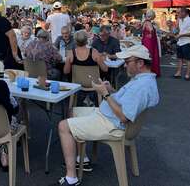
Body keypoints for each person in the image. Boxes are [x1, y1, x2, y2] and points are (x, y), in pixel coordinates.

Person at [56, 45, 159, 185]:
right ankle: (82, 158)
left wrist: (105, 93)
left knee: (63, 126)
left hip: (112, 124)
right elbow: (127, 102)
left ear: (140, 63)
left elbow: (124, 116)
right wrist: (111, 90)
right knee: (72, 112)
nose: (125, 66)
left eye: (128, 62)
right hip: (109, 117)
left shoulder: (141, 87)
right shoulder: (143, 80)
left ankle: (71, 178)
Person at [173, 7, 190, 81]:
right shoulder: (180, 20)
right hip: (180, 42)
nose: (177, 14)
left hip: (188, 42)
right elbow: (177, 30)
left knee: (188, 59)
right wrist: (174, 29)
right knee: (179, 59)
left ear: (184, 13)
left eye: (178, 13)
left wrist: (181, 35)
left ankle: (187, 75)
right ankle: (178, 73)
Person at [141, 9, 161, 77]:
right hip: (150, 41)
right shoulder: (148, 22)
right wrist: (151, 34)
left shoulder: (145, 22)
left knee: (148, 55)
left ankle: (148, 71)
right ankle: (151, 71)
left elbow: (144, 31)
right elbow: (151, 30)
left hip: (147, 40)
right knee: (151, 55)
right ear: (152, 16)